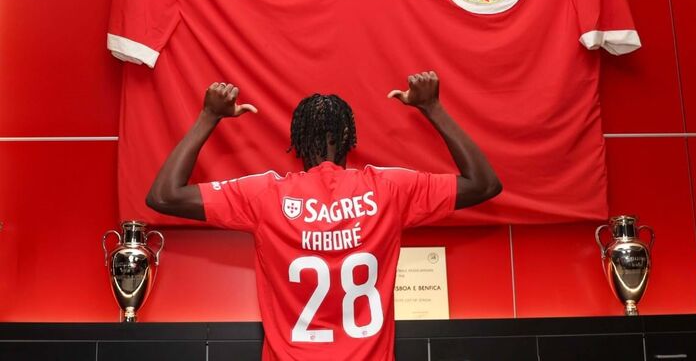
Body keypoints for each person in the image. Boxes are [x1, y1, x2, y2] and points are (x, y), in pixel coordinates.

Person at [146, 71, 501, 361]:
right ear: (348, 136)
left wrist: (209, 116)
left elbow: (163, 195)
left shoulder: (266, 196)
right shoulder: (388, 189)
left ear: (296, 140)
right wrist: (432, 107)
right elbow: (484, 184)